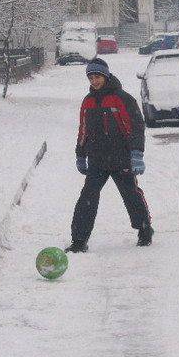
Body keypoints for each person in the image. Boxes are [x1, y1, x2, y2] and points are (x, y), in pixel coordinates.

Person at [65, 57, 153, 253]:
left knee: (131, 195)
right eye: (90, 78)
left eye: (97, 76)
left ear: (105, 76)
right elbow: (83, 130)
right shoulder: (87, 102)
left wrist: (136, 153)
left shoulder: (122, 98)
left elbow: (135, 127)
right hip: (97, 160)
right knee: (87, 197)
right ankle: (79, 240)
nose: (94, 81)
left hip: (121, 158)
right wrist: (80, 154)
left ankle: (144, 230)